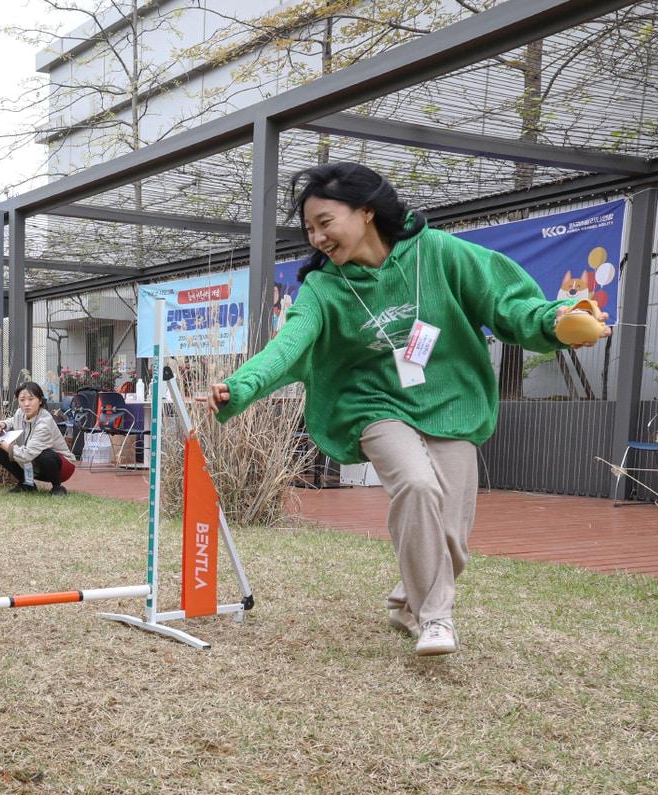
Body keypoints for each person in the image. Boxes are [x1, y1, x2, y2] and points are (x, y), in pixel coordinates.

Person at [208, 162, 610, 658]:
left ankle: (405, 600)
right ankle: (435, 619)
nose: (316, 238)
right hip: (371, 404)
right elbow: (289, 345)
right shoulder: (323, 287)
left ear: (366, 211)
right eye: (309, 229)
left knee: (452, 535)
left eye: (325, 222)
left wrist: (557, 321)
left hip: (449, 399)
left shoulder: (439, 254)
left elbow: (508, 302)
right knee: (417, 484)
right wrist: (242, 385)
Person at [0, 381, 76, 495]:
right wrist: (4, 424)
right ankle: (27, 484)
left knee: (44, 455)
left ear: (40, 400)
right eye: (22, 400)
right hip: (34, 463)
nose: (26, 404)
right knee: (1, 452)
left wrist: (3, 443)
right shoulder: (20, 413)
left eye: (31, 399)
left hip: (62, 468)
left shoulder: (44, 423)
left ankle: (57, 487)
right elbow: (13, 420)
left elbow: (26, 454)